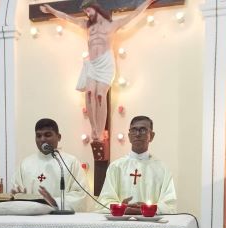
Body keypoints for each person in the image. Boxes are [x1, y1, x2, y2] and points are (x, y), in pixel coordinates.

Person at [40, 0, 156, 145]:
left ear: (95, 8)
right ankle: (93, 128)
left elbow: (134, 14)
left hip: (105, 62)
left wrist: (147, 2)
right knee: (89, 94)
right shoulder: (86, 25)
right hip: (92, 64)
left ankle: (99, 132)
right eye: (85, 12)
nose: (87, 14)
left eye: (88, 10)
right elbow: (66, 17)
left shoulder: (112, 25)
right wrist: (51, 10)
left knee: (100, 95)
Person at [97, 115, 176, 214]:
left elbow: (169, 203)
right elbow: (104, 200)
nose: (137, 134)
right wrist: (122, 208)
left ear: (151, 136)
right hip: (121, 222)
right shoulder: (116, 167)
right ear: (129, 136)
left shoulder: (162, 169)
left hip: (151, 222)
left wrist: (148, 208)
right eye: (134, 130)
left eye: (143, 130)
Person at [11, 118, 88, 211]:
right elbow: (15, 191)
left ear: (59, 137)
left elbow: (80, 194)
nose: (42, 139)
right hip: (32, 216)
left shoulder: (71, 162)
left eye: (47, 135)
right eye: (38, 136)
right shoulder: (25, 164)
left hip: (61, 217)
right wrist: (19, 197)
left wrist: (55, 202)